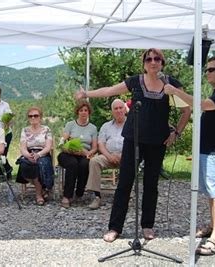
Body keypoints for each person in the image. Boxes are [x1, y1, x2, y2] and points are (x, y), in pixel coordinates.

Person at [75, 48, 191, 242]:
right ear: (144, 63)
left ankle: (147, 225)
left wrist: (176, 133)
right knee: (125, 183)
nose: (153, 62)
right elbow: (110, 90)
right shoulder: (136, 81)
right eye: (149, 59)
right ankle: (115, 227)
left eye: (157, 59)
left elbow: (187, 110)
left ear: (162, 62)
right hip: (133, 139)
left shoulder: (171, 84)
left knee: (151, 184)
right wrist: (86, 94)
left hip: (157, 141)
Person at [164, 55, 215, 255]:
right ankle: (214, 227)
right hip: (206, 151)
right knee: (210, 192)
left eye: (210, 69)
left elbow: (203, 105)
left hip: (214, 152)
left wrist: (176, 91)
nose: (207, 73)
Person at [86, 99, 127, 210]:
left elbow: (135, 144)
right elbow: (101, 144)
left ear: (125, 109)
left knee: (132, 162)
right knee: (94, 161)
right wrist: (109, 156)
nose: (118, 110)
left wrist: (123, 155)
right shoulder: (106, 126)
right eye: (115, 108)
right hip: (108, 155)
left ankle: (123, 197)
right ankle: (97, 196)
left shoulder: (131, 125)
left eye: (120, 108)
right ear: (112, 111)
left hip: (126, 156)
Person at [57, 100, 98, 208]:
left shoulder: (93, 128)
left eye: (86, 110)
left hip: (84, 154)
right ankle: (67, 196)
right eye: (81, 110)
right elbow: (63, 139)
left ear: (89, 112)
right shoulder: (70, 125)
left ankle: (79, 192)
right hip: (69, 153)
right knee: (72, 163)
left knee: (84, 164)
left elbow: (94, 148)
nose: (83, 112)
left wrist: (88, 153)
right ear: (77, 112)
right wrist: (65, 143)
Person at [16, 106, 54, 205]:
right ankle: (41, 189)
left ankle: (38, 194)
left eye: (35, 115)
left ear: (40, 117)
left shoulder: (46, 129)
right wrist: (28, 155)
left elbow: (48, 147)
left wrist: (38, 154)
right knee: (25, 164)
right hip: (29, 153)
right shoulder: (25, 130)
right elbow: (23, 147)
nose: (33, 118)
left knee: (40, 165)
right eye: (30, 116)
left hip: (43, 153)